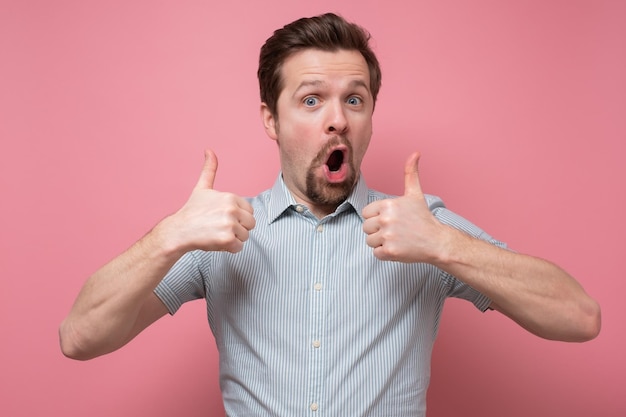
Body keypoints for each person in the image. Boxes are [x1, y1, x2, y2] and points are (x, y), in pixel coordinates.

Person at [60, 13, 601, 416]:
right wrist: (169, 237)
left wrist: (444, 245)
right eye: (312, 100)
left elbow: (579, 318)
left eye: (355, 100)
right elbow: (79, 338)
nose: (337, 120)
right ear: (271, 119)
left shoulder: (422, 228)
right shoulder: (218, 235)